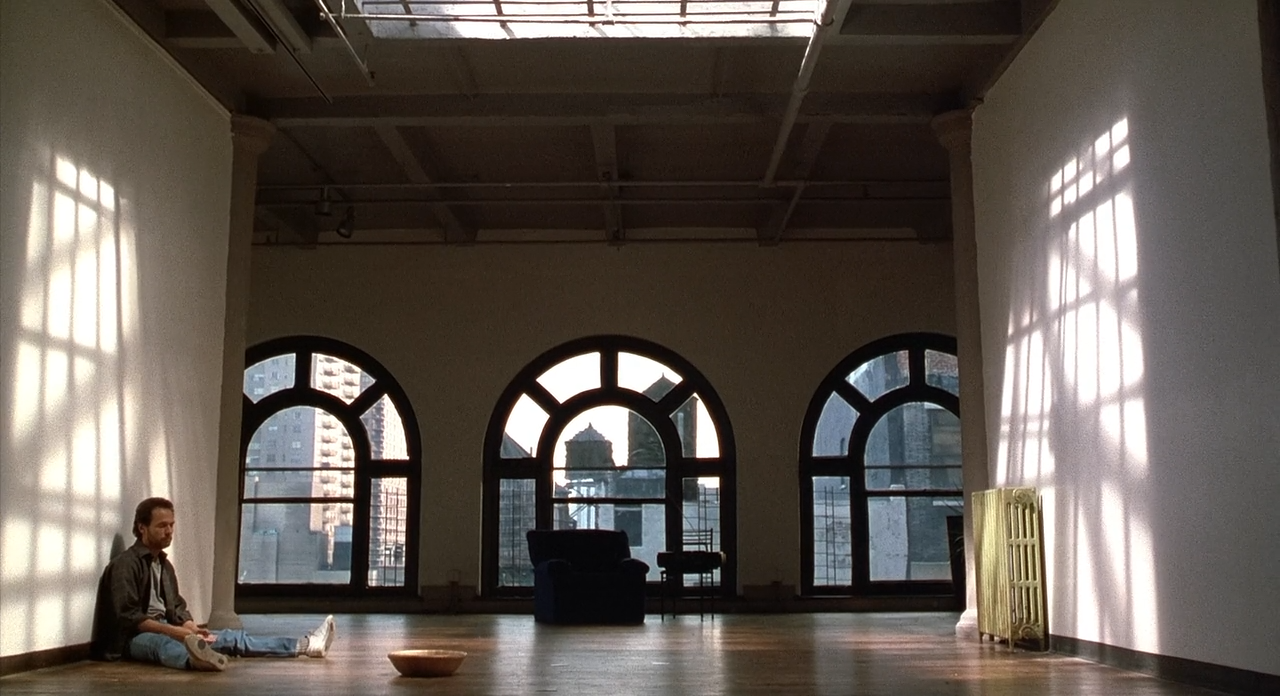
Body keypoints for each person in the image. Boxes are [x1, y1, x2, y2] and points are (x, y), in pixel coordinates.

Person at [94, 497, 336, 671]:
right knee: (163, 644)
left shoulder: (164, 566)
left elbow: (176, 607)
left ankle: (305, 645)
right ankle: (196, 660)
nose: (169, 531)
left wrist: (191, 627)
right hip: (134, 638)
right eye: (162, 526)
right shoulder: (125, 565)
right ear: (142, 528)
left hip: (168, 627)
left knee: (231, 637)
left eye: (171, 525)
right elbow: (129, 618)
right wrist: (177, 632)